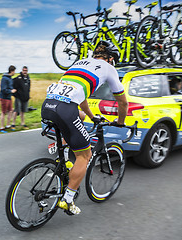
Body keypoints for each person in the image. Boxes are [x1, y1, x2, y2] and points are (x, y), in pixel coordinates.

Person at [41, 41, 128, 215]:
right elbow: (123, 102)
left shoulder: (80, 62)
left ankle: (64, 157)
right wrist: (120, 122)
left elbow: (78, 96)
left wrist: (90, 115)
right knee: (85, 155)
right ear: (110, 58)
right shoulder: (109, 68)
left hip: (48, 106)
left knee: (77, 116)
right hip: (65, 110)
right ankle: (67, 199)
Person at [12, 66, 31, 130]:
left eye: (26, 70)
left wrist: (28, 96)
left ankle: (23, 123)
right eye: (24, 70)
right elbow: (13, 86)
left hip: (25, 97)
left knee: (23, 111)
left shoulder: (28, 79)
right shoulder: (18, 78)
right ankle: (13, 124)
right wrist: (15, 95)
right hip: (18, 97)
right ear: (22, 71)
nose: (25, 72)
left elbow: (28, 88)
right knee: (16, 111)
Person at [0, 65, 16, 133]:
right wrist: (11, 91)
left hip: (9, 97)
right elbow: (3, 89)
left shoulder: (10, 78)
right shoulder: (4, 78)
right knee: (3, 112)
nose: (14, 73)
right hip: (4, 97)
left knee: (10, 111)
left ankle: (8, 125)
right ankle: (2, 127)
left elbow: (9, 87)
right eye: (14, 71)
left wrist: (12, 91)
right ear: (12, 71)